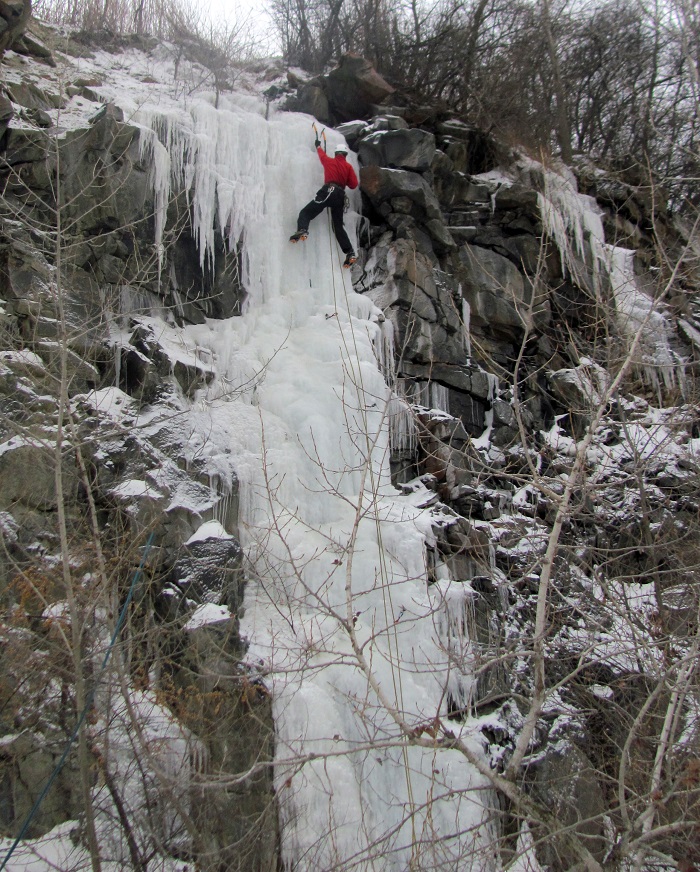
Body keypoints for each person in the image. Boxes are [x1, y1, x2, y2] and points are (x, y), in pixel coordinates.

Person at [290, 137, 359, 267]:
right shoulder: (348, 167)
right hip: (340, 197)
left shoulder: (329, 161)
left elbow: (321, 155)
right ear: (345, 155)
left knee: (306, 212)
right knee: (338, 226)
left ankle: (302, 229)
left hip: (329, 191)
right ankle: (350, 252)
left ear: (336, 154)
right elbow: (353, 184)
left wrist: (318, 146)